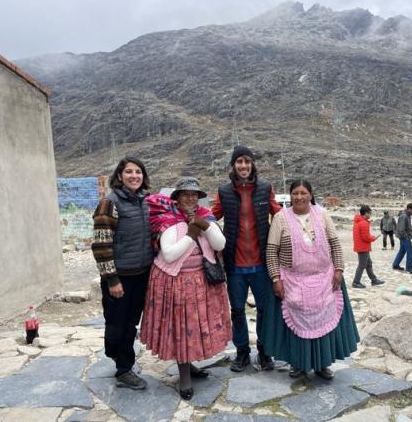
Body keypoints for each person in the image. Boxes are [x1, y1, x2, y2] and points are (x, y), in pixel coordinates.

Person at [140, 177, 231, 400]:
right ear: (177, 197)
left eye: (194, 194)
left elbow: (220, 245)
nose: (190, 198)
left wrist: (205, 225)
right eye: (185, 194)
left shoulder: (205, 216)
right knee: (181, 328)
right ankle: (185, 377)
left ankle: (190, 366)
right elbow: (170, 254)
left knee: (196, 327)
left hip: (202, 281)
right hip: (176, 282)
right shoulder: (168, 220)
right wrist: (191, 232)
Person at [262, 180, 359, 379]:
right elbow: (271, 251)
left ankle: (322, 364)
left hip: (324, 279)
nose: (299, 197)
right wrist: (275, 278)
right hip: (292, 280)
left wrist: (338, 270)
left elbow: (335, 244)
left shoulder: (322, 214)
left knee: (323, 319)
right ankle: (299, 364)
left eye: (303, 193)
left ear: (310, 195)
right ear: (290, 196)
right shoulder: (281, 218)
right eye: (295, 193)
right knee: (297, 323)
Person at [212, 145, 282, 372]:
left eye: (247, 161)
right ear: (233, 165)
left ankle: (264, 352)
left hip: (262, 264)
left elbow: (279, 215)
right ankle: (242, 352)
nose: (243, 165)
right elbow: (211, 216)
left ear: (252, 164)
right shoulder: (224, 191)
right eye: (239, 161)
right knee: (238, 310)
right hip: (234, 265)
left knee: (264, 309)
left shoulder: (265, 188)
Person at [91, 156, 154, 390]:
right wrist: (112, 279)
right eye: (129, 172)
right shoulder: (110, 203)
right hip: (120, 276)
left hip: (141, 274)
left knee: (130, 323)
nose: (134, 176)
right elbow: (101, 245)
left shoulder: (145, 202)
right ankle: (124, 369)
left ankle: (121, 361)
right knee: (117, 323)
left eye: (138, 171)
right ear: (119, 176)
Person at [352, 205, 385, 288]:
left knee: (368, 263)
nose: (370, 215)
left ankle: (373, 280)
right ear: (366, 213)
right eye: (370, 213)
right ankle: (356, 282)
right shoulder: (364, 223)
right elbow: (365, 237)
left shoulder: (358, 221)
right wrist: (374, 238)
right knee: (362, 265)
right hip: (363, 247)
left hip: (361, 246)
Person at [392, 203, 412, 275]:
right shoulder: (404, 216)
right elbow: (401, 229)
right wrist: (406, 236)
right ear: (409, 209)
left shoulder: (407, 215)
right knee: (410, 252)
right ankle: (409, 268)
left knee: (402, 251)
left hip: (403, 237)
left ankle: (396, 265)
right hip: (404, 238)